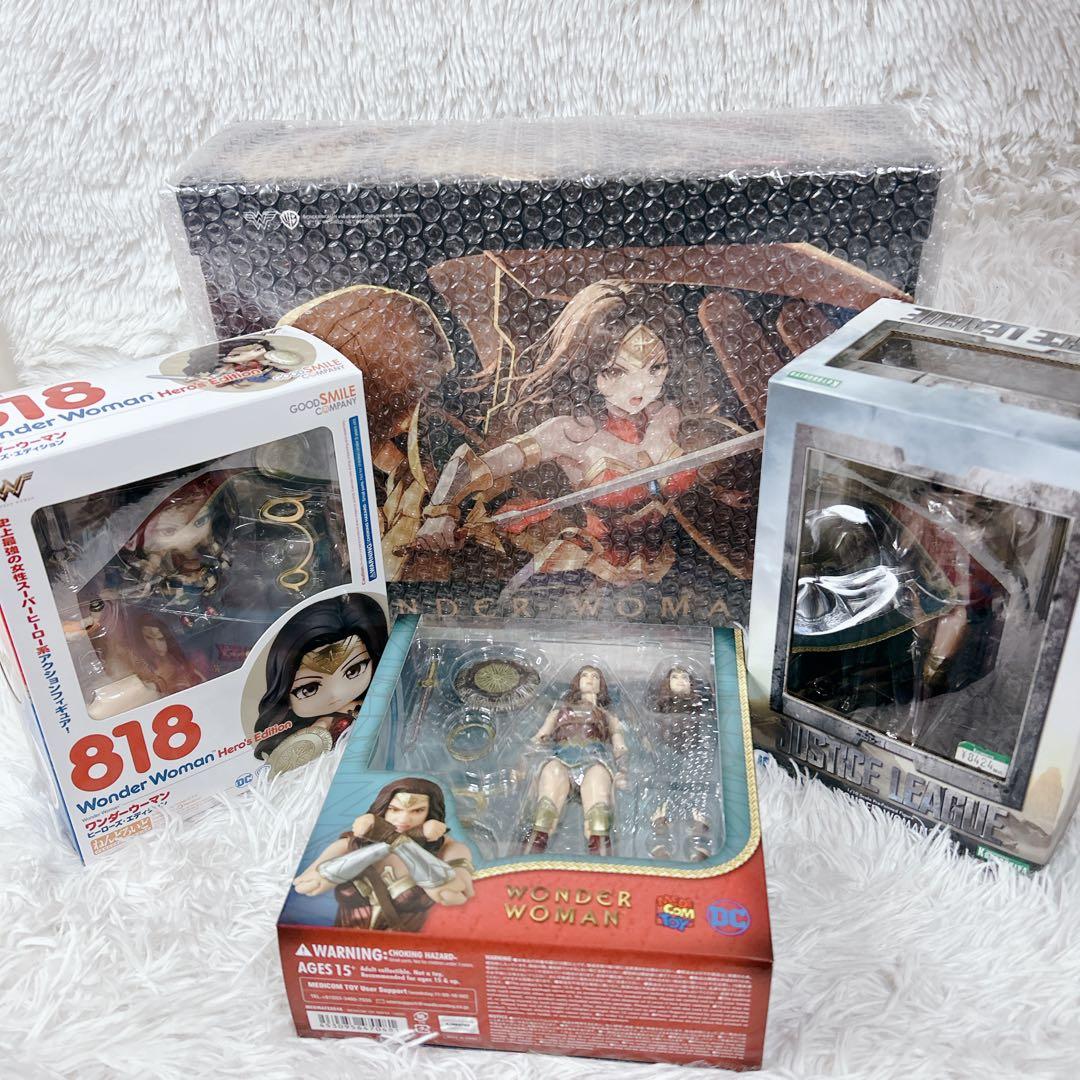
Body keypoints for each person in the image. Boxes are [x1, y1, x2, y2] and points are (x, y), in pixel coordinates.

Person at [412, 279, 751, 589]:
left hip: (665, 563)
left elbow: (667, 478)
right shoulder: (569, 431)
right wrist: (440, 514)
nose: (640, 387)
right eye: (616, 371)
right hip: (586, 567)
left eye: (656, 368)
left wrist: (717, 493)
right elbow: (470, 465)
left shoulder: (666, 416)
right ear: (588, 368)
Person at [292, 777, 474, 931]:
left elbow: (453, 894)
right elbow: (309, 885)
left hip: (405, 950)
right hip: (344, 944)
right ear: (384, 807)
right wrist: (384, 841)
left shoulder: (449, 849)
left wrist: (402, 843)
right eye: (394, 809)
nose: (403, 819)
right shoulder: (353, 843)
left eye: (417, 810)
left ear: (430, 812)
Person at [253, 593, 387, 771]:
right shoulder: (307, 736)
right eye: (309, 689)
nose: (336, 693)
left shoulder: (374, 703)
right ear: (283, 691)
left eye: (353, 671)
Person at [526, 664, 629, 856]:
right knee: (545, 811)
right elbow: (539, 737)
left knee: (599, 815)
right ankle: (529, 857)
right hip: (561, 760)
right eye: (585, 675)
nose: (590, 679)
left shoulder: (608, 716)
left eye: (595, 677)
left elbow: (619, 746)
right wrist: (524, 762)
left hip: (594, 762)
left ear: (601, 685)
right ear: (577, 682)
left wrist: (623, 770)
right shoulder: (559, 711)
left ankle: (601, 862)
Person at [647, 665, 719, 861]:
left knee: (697, 809)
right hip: (665, 760)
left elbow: (708, 737)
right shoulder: (659, 709)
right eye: (675, 677)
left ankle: (699, 843)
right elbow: (650, 736)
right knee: (661, 807)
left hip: (693, 761)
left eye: (685, 677)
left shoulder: (701, 709)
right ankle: (661, 842)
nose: (680, 680)